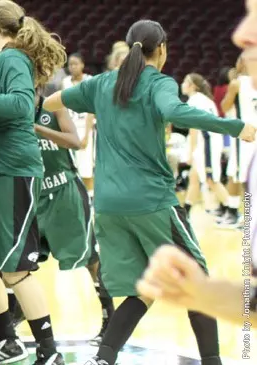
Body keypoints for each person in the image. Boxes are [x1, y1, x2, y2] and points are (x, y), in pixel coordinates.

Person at [43, 19, 255, 365]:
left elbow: (52, 101)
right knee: (198, 282)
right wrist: (235, 126)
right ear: (163, 50)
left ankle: (103, 358)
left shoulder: (101, 83)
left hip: (109, 206)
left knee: (142, 290)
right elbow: (174, 111)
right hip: (151, 202)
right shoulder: (159, 83)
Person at [138, 0, 257, 330]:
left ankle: (227, 210)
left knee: (208, 181)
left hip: (212, 144)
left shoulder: (196, 99)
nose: (240, 34)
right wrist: (201, 293)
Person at [0, 1, 67, 363]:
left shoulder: (13, 58)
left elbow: (22, 106)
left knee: (15, 268)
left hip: (14, 170)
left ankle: (49, 350)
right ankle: (6, 337)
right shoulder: (2, 61)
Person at [33, 89, 114, 347]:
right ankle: (10, 328)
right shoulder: (14, 109)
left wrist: (38, 129)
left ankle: (109, 319)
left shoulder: (53, 105)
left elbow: (76, 141)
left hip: (65, 191)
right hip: (34, 195)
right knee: (18, 264)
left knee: (90, 259)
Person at [181, 73, 230, 218]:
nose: (182, 84)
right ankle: (186, 212)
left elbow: (194, 129)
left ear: (193, 86)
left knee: (211, 180)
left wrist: (190, 152)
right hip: (211, 141)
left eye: (185, 81)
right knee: (194, 177)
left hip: (208, 144)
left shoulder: (195, 101)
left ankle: (233, 210)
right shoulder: (204, 100)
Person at [220, 56, 256, 226]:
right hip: (248, 135)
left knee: (242, 176)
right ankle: (239, 214)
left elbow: (225, 107)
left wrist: (230, 93)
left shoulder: (237, 83)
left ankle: (244, 217)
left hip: (245, 136)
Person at [63, 52, 96, 198]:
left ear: (82, 64)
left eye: (75, 63)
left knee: (86, 167)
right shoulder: (65, 82)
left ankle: (90, 198)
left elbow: (91, 110)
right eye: (70, 64)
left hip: (85, 127)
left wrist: (86, 136)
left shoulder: (89, 81)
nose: (72, 67)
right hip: (70, 126)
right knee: (72, 166)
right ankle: (77, 197)